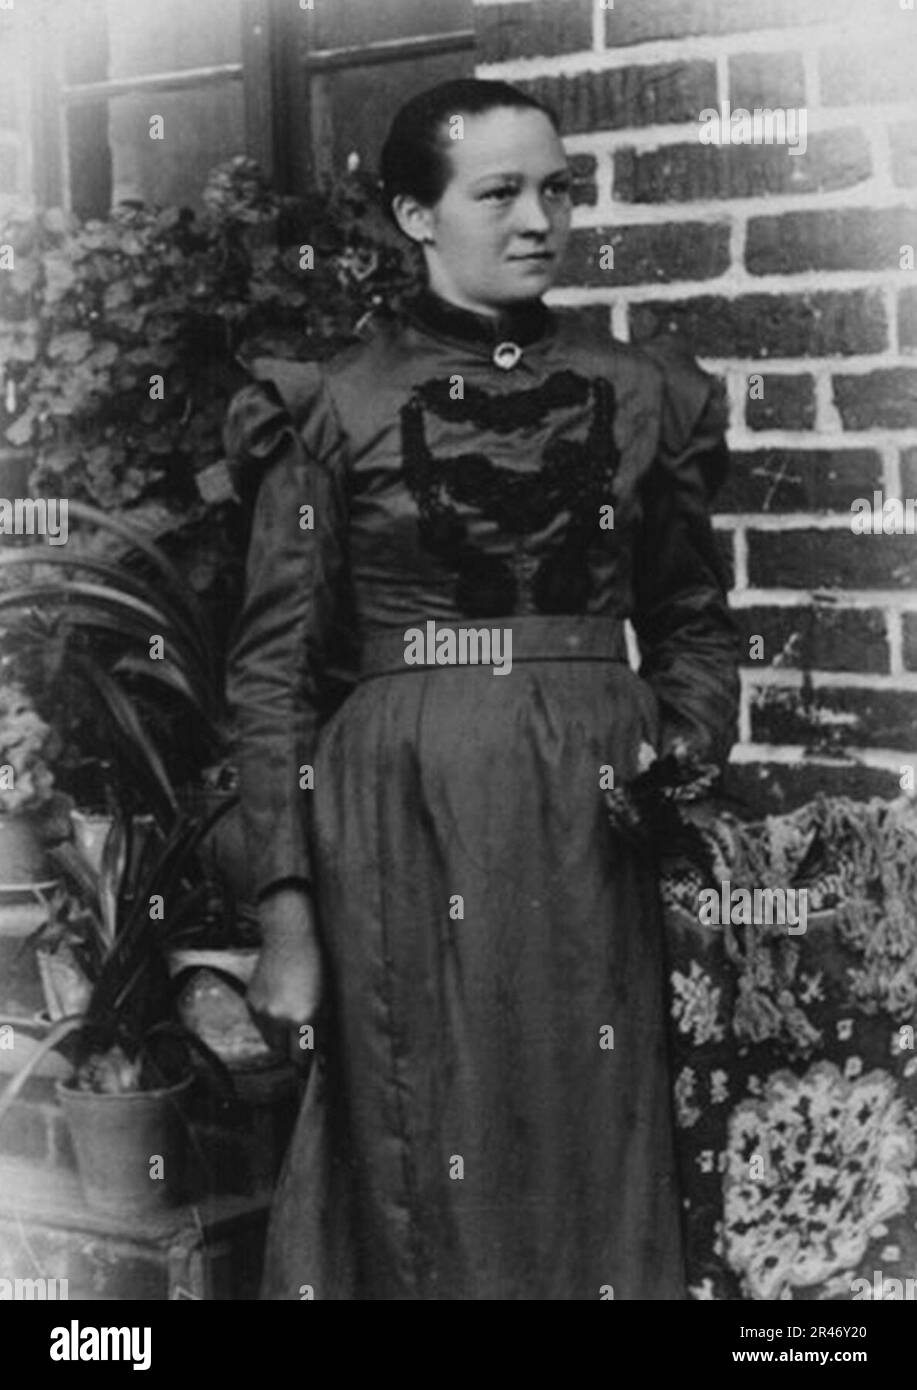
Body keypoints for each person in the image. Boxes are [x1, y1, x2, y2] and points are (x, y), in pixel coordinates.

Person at [225, 77, 740, 1301]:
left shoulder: (639, 390)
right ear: (414, 214)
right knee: (426, 1121)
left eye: (554, 189)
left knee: (592, 1121)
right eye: (497, 192)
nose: (537, 220)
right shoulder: (337, 406)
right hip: (402, 821)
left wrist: (674, 744)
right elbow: (274, 673)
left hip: (592, 822)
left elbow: (687, 619)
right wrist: (285, 915)